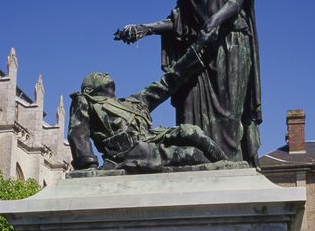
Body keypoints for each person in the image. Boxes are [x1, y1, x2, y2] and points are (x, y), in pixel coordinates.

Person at [115, 0, 262, 167]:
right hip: (196, 54)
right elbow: (177, 23)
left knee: (227, 118)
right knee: (190, 120)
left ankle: (230, 171)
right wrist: (144, 28)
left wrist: (214, 21)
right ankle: (196, 166)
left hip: (228, 49)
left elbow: (236, 2)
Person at [68, 42, 228, 172]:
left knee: (191, 131)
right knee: (192, 154)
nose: (104, 74)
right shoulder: (85, 100)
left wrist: (196, 52)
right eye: (98, 76)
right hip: (129, 152)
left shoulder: (133, 102)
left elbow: (167, 82)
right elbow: (78, 133)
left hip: (151, 139)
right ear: (89, 89)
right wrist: (88, 165)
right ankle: (224, 170)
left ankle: (228, 164)